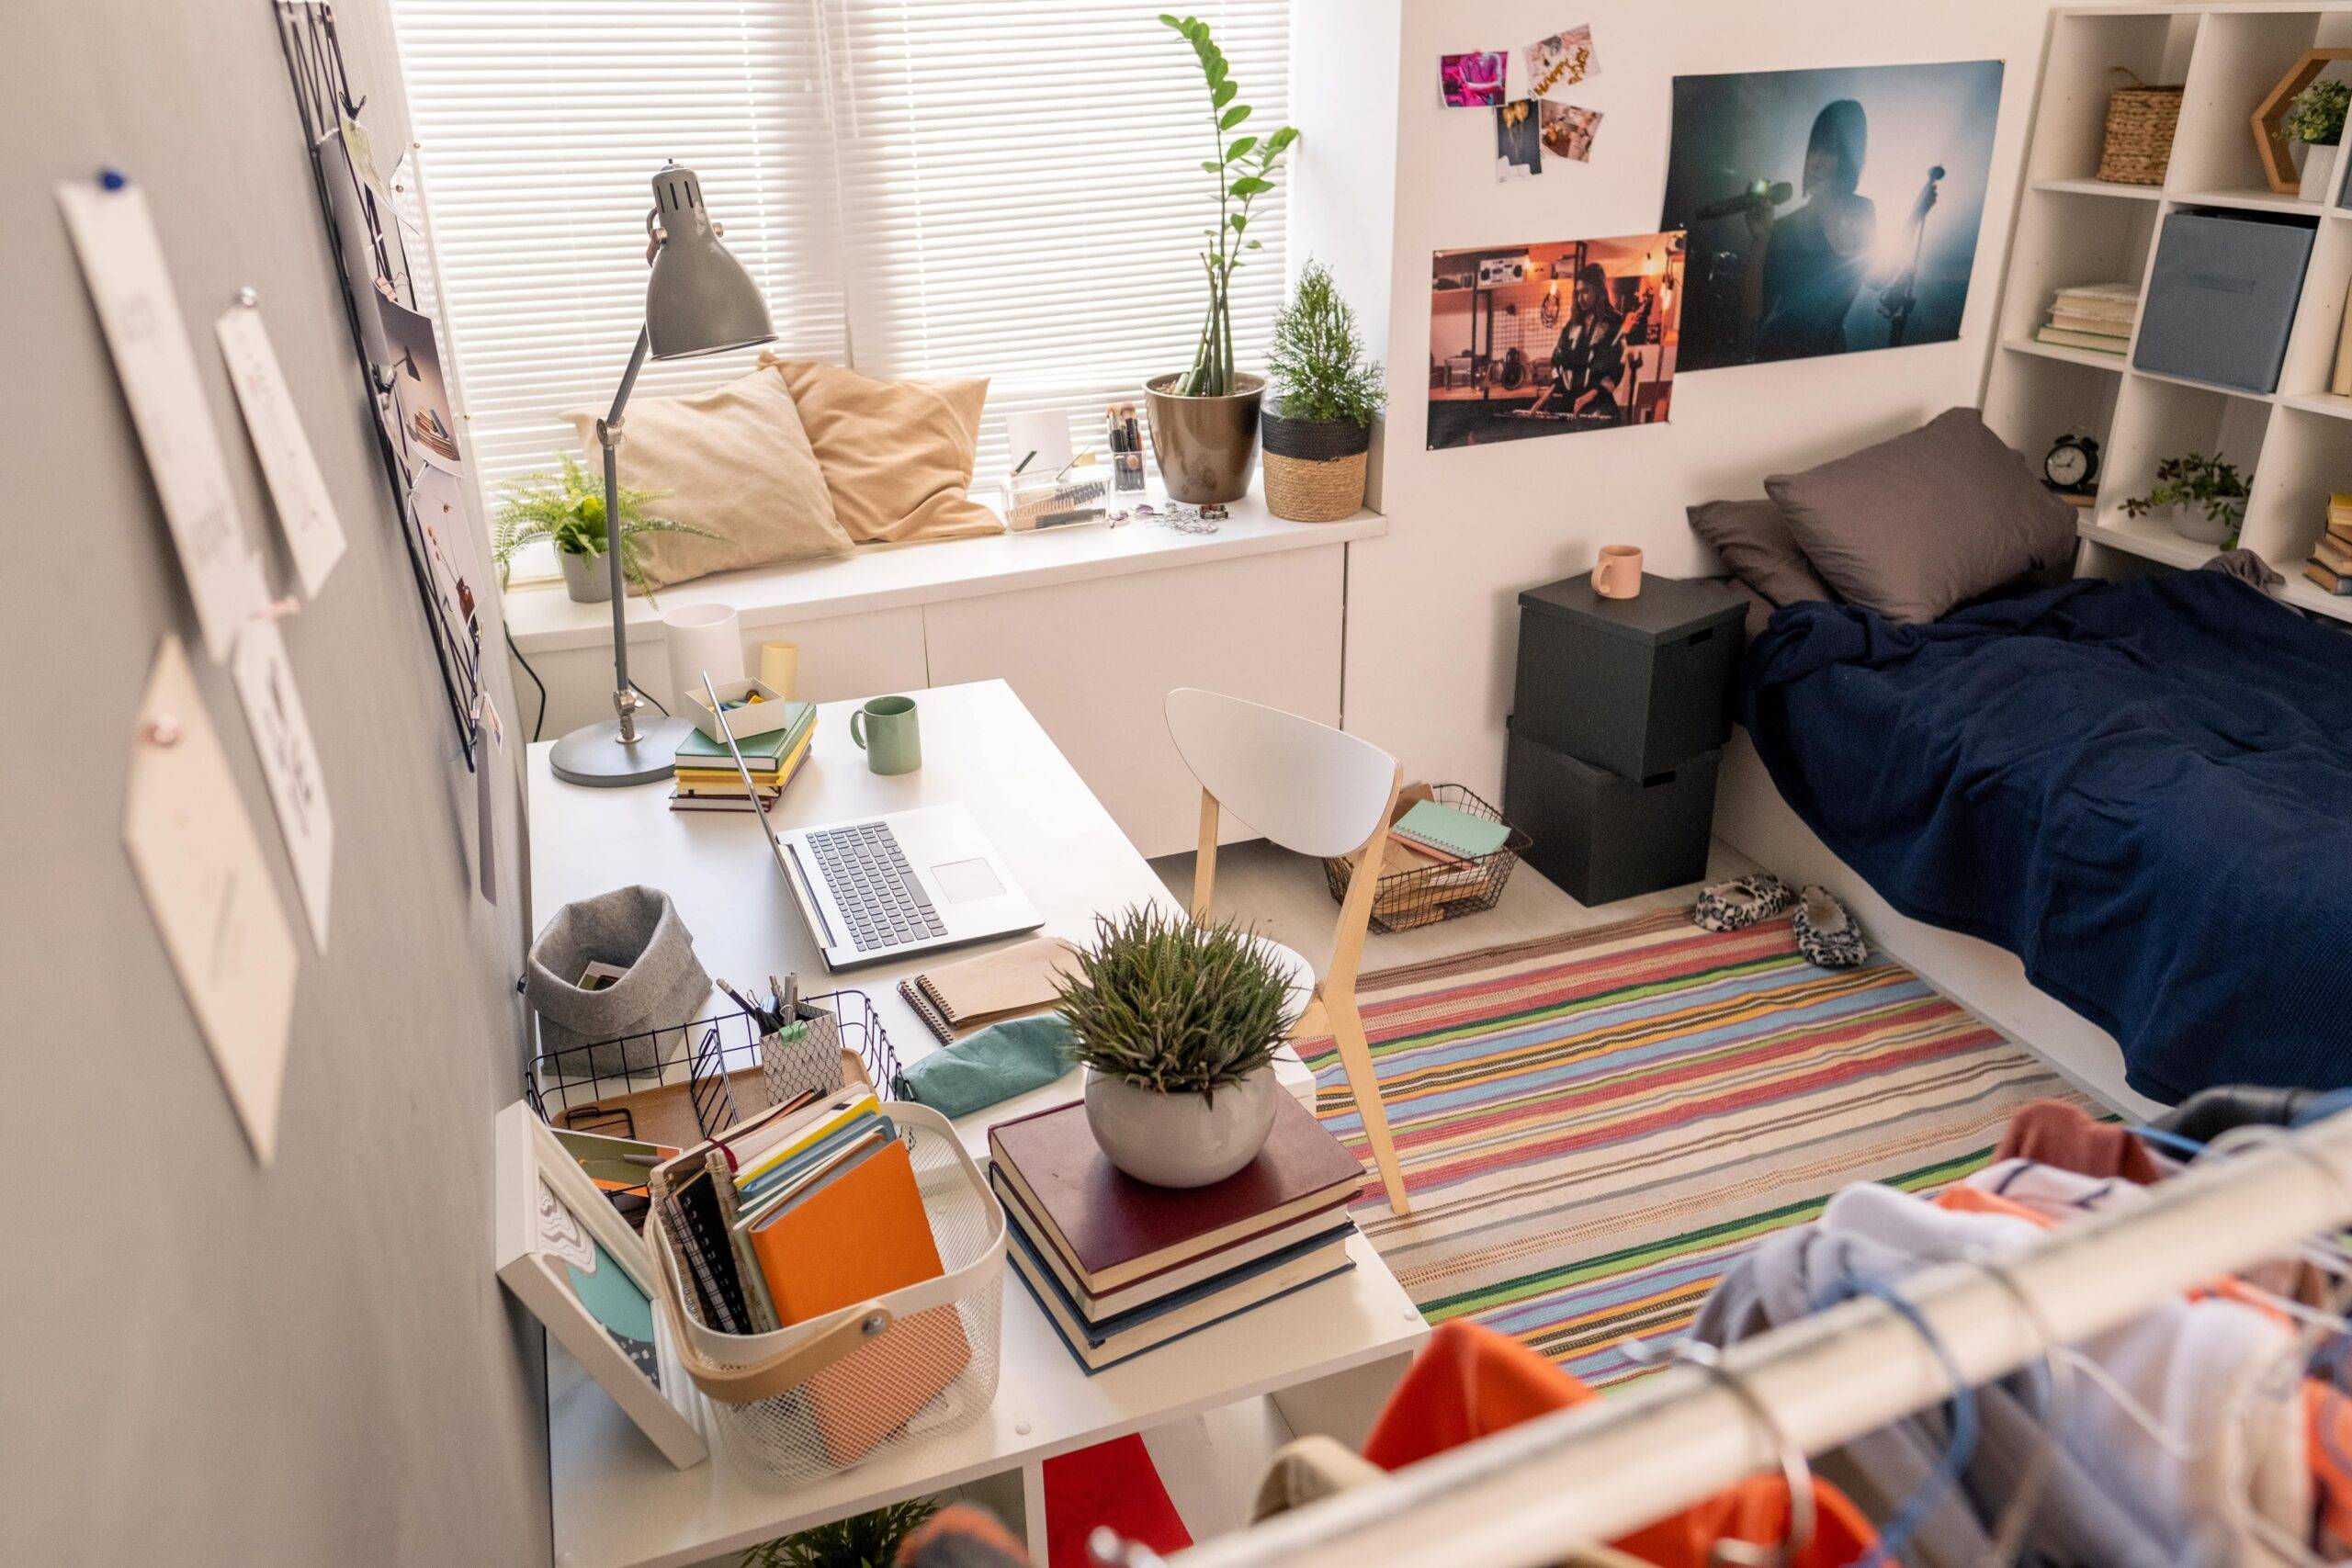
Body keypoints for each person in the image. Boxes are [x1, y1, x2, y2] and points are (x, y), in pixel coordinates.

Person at [1741, 98, 1877, 362]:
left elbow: (1878, 280)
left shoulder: (1862, 210)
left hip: (1831, 355)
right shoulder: (1782, 228)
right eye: (1813, 149)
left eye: (1829, 150)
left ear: (1850, 157)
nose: (1815, 161)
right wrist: (1760, 241)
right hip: (1779, 356)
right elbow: (1751, 317)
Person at [1528, 264, 1624, 424]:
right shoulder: (1574, 324)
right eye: (1577, 293)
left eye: (1585, 291)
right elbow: (1559, 359)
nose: (1580, 298)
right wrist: (1546, 395)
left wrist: (1587, 397)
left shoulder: (1614, 321)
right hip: (1571, 405)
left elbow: (1616, 367)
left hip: (1598, 405)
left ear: (1599, 290)